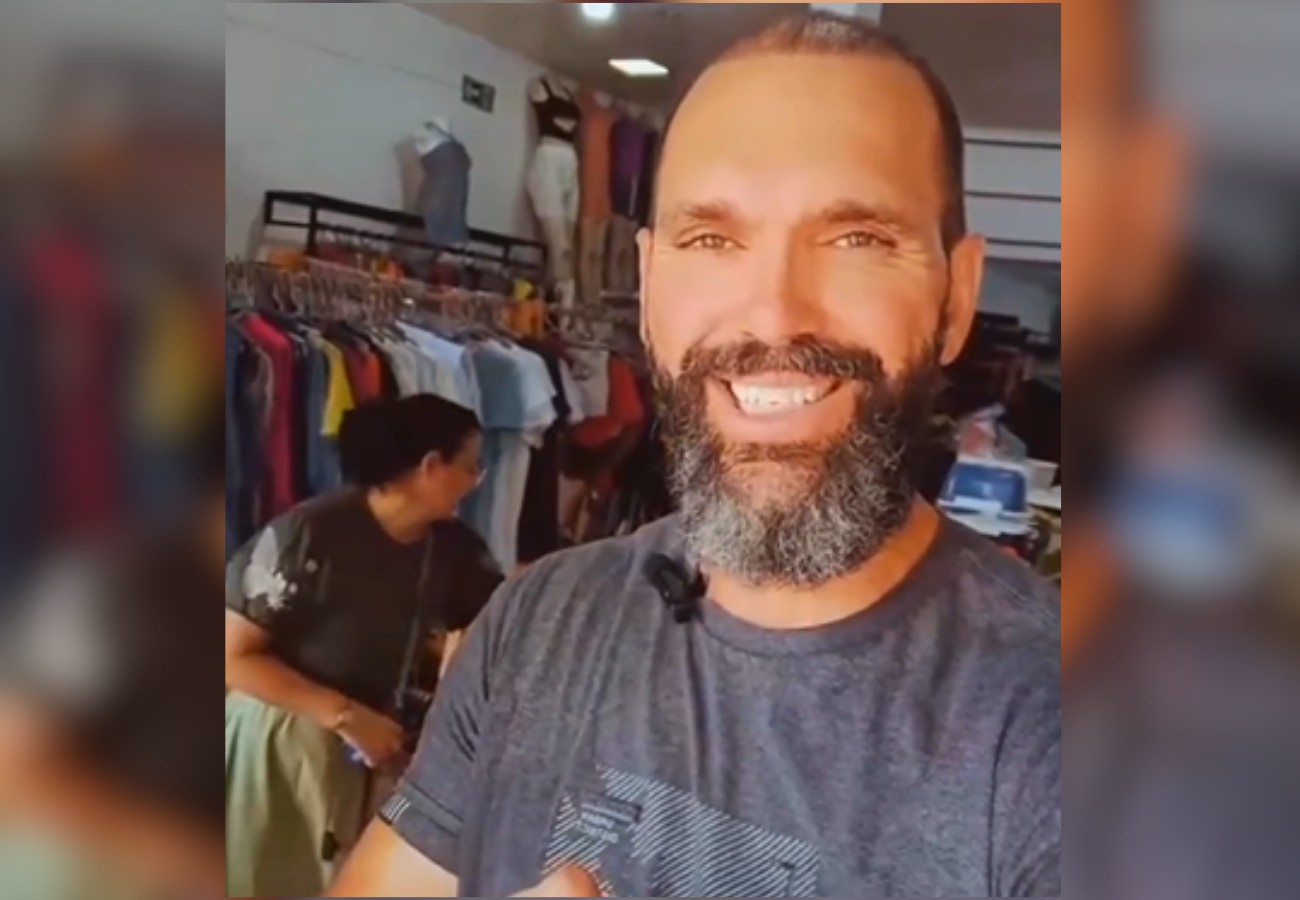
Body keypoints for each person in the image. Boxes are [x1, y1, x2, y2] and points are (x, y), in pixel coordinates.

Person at [332, 12, 1060, 898]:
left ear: (958, 297)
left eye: (859, 239)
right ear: (647, 287)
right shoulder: (539, 619)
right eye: (712, 240)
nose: (774, 313)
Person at [225, 393, 503, 898]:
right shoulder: (310, 535)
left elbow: (480, 632)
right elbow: (232, 656)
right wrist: (345, 717)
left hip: (374, 746)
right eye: (470, 467)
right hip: (287, 736)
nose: (477, 481)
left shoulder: (456, 550)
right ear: (430, 466)